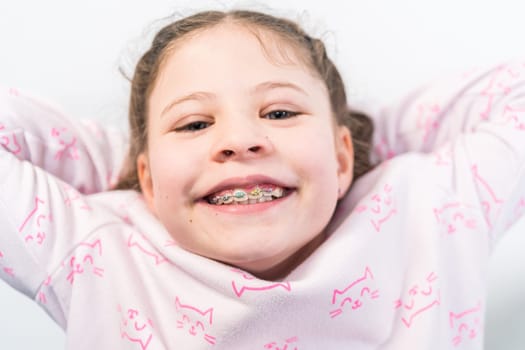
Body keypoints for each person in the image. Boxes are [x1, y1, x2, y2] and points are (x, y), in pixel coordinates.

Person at [1, 8, 524, 350]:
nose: (239, 140)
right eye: (195, 123)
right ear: (148, 181)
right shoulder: (95, 251)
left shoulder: (430, 209)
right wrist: (133, 161)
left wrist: (359, 137)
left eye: (279, 114)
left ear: (342, 158)